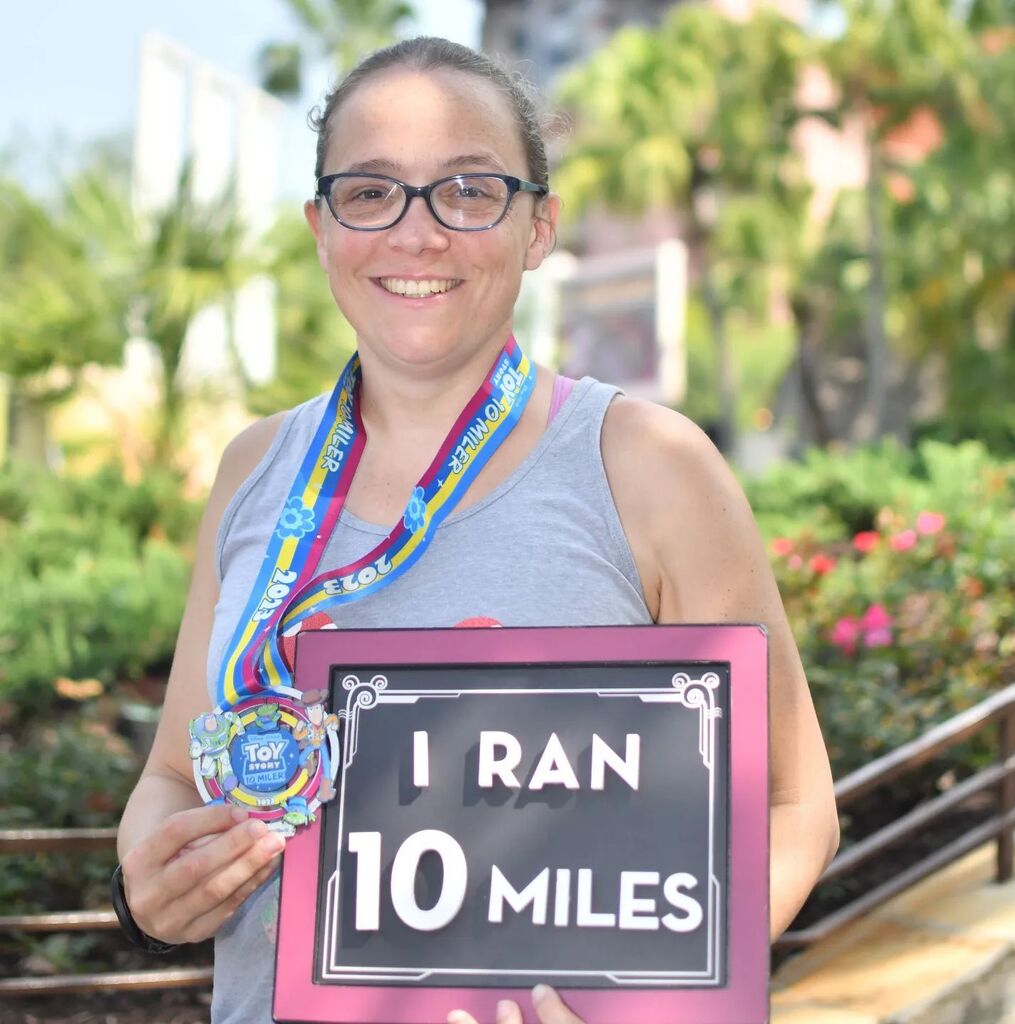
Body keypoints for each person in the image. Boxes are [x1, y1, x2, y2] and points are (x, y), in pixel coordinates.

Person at [115, 36, 839, 1024]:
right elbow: (169, 774)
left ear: (538, 226)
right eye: (371, 192)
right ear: (321, 227)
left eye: (467, 190)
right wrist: (151, 875)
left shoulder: (651, 467)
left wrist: (652, 1008)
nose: (416, 235)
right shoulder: (253, 471)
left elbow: (794, 804)